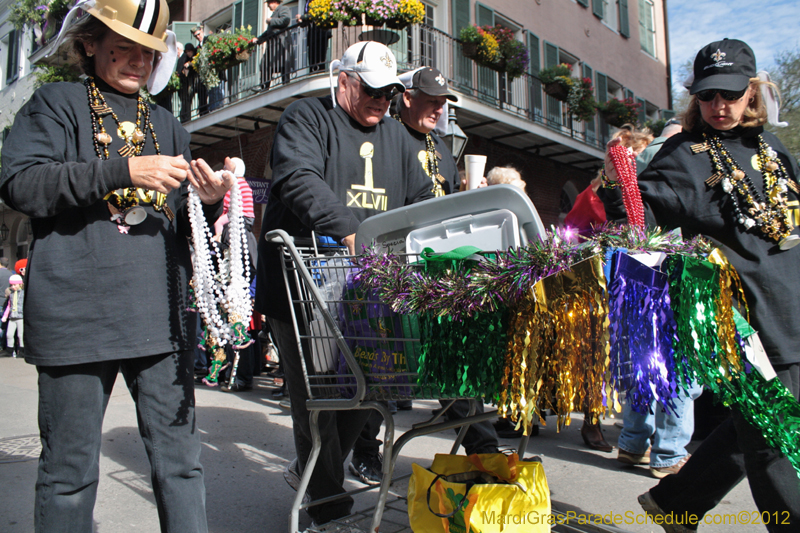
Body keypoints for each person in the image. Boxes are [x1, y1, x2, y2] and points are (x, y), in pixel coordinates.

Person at [0, 0, 235, 530]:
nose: (137, 62)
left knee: (181, 467)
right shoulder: (54, 103)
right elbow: (22, 184)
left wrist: (211, 199)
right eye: (124, 47)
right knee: (68, 473)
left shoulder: (168, 124)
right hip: (76, 318)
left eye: (148, 53)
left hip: (162, 322)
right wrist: (122, 170)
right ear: (89, 43)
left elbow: (177, 220)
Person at [599, 38, 800, 532]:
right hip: (745, 324)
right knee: (773, 435)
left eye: (731, 94)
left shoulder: (772, 147)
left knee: (757, 424)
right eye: (708, 95)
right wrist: (617, 186)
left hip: (794, 308)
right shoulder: (685, 153)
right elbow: (639, 210)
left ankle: (678, 503)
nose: (719, 105)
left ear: (752, 91)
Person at [254, 41, 432, 526]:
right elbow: (296, 176)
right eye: (371, 89)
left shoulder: (398, 136)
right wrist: (352, 230)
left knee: (367, 392)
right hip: (302, 289)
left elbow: (419, 199)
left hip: (368, 294)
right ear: (344, 80)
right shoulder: (305, 117)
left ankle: (315, 473)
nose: (381, 100)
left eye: (390, 92)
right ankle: (328, 508)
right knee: (317, 401)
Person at [347, 67, 500, 486]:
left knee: (452, 354)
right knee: (385, 361)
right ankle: (361, 447)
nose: (439, 107)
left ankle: (484, 451)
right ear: (407, 97)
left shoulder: (442, 148)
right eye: (430, 99)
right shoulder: (387, 138)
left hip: (438, 269)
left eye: (443, 101)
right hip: (394, 265)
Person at [612, 119, 704, 479]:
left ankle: (633, 443)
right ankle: (669, 452)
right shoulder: (682, 157)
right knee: (678, 359)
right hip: (673, 266)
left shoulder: (640, 158)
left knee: (643, 358)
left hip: (637, 269)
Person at [254, 0, 291, 91]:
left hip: (280, 43)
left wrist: (271, 21)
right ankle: (263, 86)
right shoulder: (274, 13)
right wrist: (259, 39)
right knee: (265, 64)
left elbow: (285, 20)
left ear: (274, 2)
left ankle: (285, 84)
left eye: (269, 3)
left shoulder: (283, 8)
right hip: (273, 44)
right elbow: (268, 32)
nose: (268, 6)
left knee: (283, 65)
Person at [297, 0, 331, 73]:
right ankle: (313, 71)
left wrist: (303, 17)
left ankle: (320, 71)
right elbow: (308, 19)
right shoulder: (307, 2)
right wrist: (301, 21)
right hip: (312, 34)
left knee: (320, 58)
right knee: (312, 59)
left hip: (321, 32)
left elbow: (318, 13)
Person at [2, 274, 24, 357]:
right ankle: (9, 350)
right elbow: (9, 306)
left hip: (21, 317)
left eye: (15, 285)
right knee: (9, 334)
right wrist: (5, 315)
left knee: (20, 335)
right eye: (11, 285)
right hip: (12, 316)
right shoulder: (11, 294)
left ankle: (22, 351)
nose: (13, 286)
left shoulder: (23, 294)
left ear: (20, 284)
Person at [177, 42, 197, 123]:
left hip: (189, 83)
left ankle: (186, 117)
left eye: (190, 51)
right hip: (185, 83)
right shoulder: (185, 58)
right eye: (187, 51)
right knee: (185, 101)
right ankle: (184, 117)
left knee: (187, 100)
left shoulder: (188, 59)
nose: (188, 53)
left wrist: (189, 64)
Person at [191, 26, 209, 115]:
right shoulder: (197, 47)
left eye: (198, 34)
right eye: (195, 36)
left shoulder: (208, 39)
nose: (198, 36)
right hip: (202, 75)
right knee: (202, 93)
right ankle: (203, 111)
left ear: (202, 31)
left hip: (209, 73)